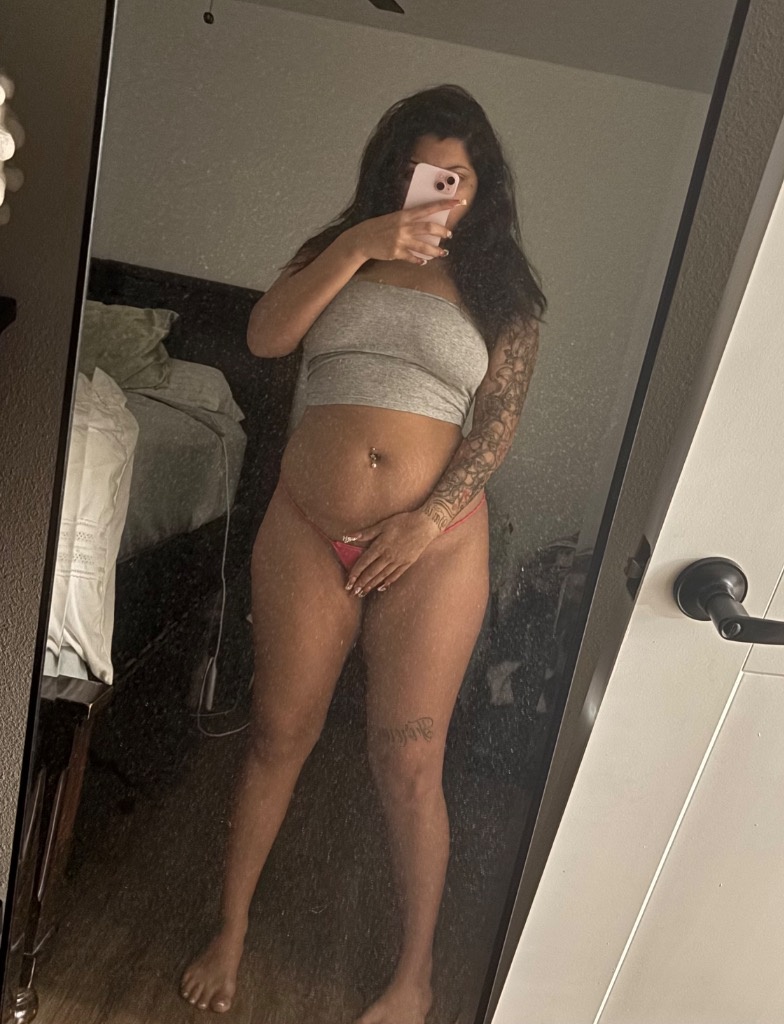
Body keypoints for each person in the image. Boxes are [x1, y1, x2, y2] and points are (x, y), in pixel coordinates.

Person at [181, 83, 545, 1022]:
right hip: (308, 523)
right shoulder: (340, 252)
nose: (435, 193)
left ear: (483, 187)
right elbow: (266, 338)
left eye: (454, 178)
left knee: (409, 762)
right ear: (391, 173)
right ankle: (230, 931)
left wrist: (426, 520)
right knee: (277, 734)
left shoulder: (503, 291)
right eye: (418, 173)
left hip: (437, 542)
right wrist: (358, 245)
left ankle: (413, 977)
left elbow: (495, 426)